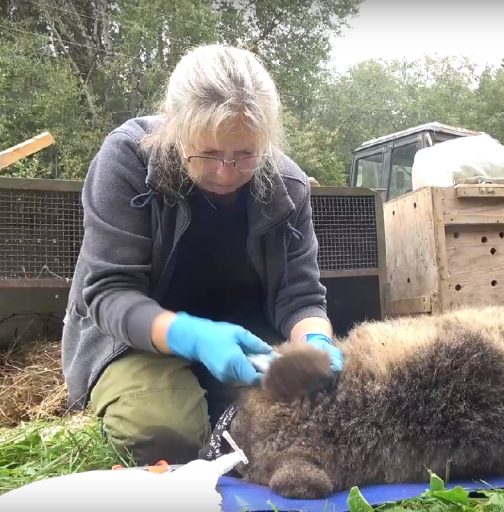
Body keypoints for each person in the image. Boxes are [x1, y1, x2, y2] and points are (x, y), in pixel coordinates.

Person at [61, 44, 343, 466]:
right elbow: (109, 293)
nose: (227, 171)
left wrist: (316, 342)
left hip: (245, 345)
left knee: (307, 423)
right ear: (174, 127)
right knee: (164, 433)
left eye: (246, 154)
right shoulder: (127, 161)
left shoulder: (289, 186)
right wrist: (191, 335)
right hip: (135, 341)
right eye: (208, 153)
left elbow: (300, 296)